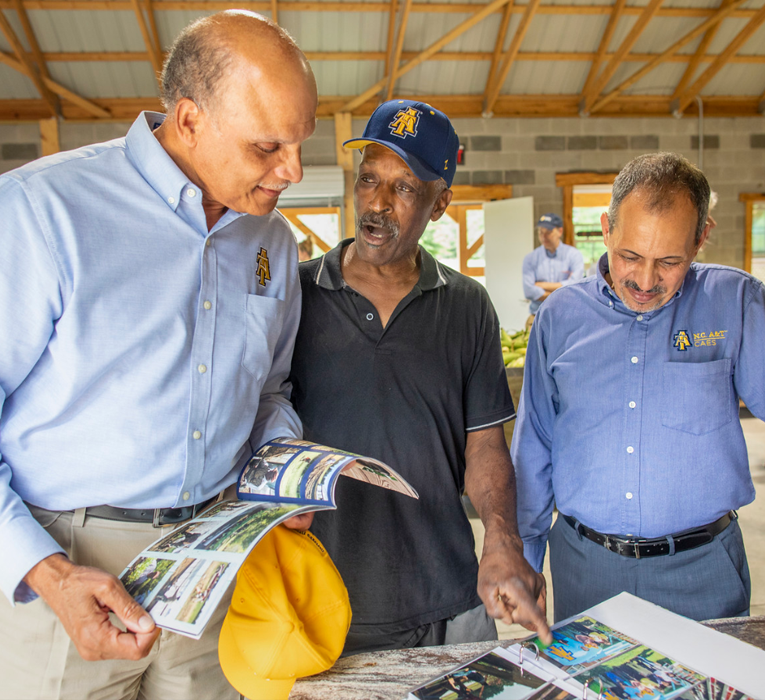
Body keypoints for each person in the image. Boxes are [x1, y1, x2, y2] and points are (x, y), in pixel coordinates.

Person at [0, 11, 316, 699]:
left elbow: (269, 392)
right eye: (268, 146)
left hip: (211, 579)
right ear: (189, 120)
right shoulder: (41, 212)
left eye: (300, 143)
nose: (293, 171)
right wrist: (46, 572)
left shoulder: (272, 243)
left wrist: (282, 466)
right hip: (60, 578)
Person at [289, 99, 551, 656]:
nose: (377, 204)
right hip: (312, 601)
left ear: (440, 203)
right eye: (368, 181)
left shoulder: (466, 306)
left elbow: (484, 444)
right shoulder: (295, 295)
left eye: (404, 189)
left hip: (445, 601)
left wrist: (502, 542)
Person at [513, 152, 763, 623]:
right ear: (606, 229)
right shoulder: (559, 318)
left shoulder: (735, 303)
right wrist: (526, 555)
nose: (646, 281)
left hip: (704, 570)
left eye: (669, 261)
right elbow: (535, 446)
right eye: (630, 256)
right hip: (587, 569)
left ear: (701, 237)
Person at [522, 213, 584, 327]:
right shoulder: (530, 259)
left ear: (560, 231)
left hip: (568, 318)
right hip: (537, 318)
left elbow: (576, 286)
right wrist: (562, 292)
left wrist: (542, 285)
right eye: (540, 232)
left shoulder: (574, 255)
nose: (543, 236)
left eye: (548, 232)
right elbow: (529, 291)